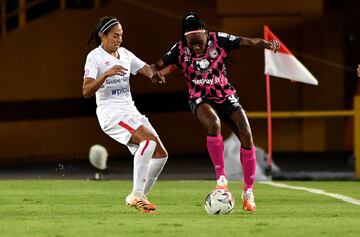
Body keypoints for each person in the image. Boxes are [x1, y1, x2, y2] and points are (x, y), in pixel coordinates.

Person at [151, 12, 279, 212]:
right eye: (191, 43)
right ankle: (221, 178)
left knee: (246, 134)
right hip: (199, 97)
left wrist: (266, 43)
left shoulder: (219, 39)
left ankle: (248, 192)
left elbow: (248, 42)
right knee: (213, 124)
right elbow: (157, 66)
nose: (195, 47)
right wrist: (153, 74)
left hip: (225, 94)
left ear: (206, 34)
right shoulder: (179, 48)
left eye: (198, 42)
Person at [83, 16, 168, 213]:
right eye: (115, 36)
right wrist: (106, 74)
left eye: (121, 35)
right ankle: (137, 195)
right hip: (111, 113)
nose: (119, 39)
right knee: (148, 143)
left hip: (130, 110)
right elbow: (86, 90)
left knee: (160, 155)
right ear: (102, 35)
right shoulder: (94, 57)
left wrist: (155, 74)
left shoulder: (125, 54)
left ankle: (139, 195)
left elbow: (145, 68)